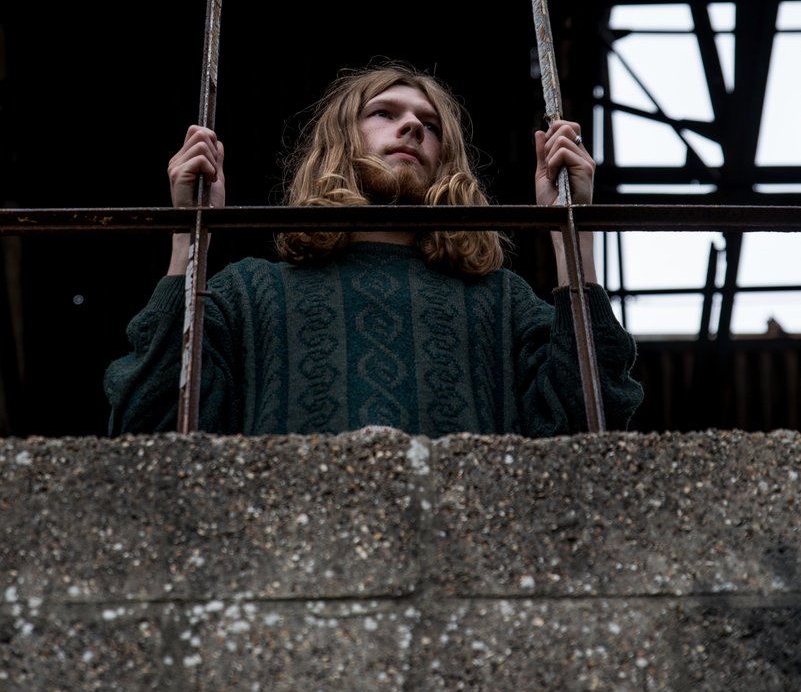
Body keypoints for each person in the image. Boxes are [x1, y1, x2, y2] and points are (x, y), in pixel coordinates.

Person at [104, 60, 643, 438]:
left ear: (445, 160)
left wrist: (571, 230)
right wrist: (190, 235)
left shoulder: (502, 301)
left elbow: (589, 424)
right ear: (341, 140)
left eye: (430, 125)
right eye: (384, 113)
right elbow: (149, 424)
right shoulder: (248, 293)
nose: (412, 126)